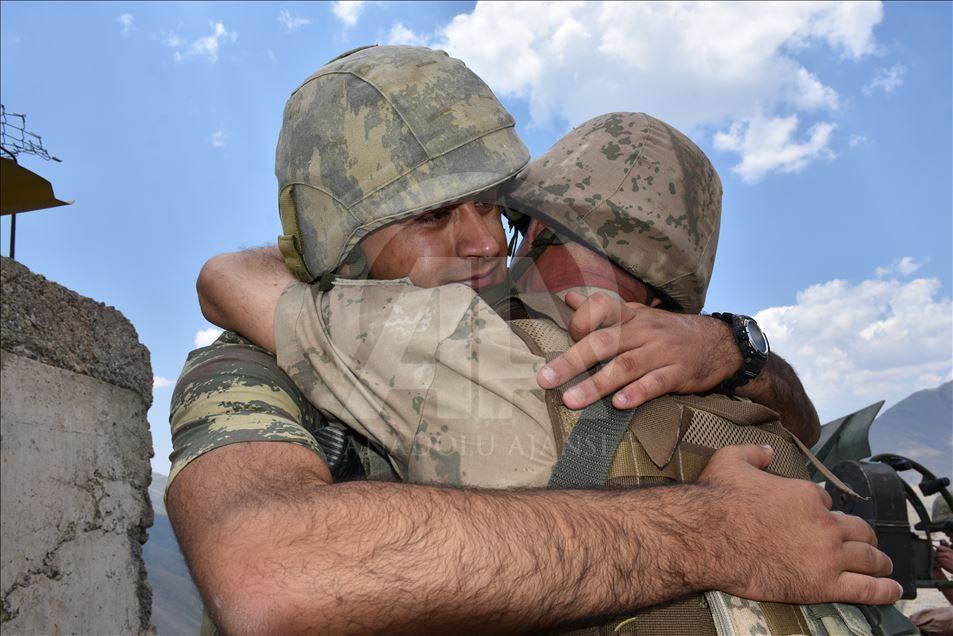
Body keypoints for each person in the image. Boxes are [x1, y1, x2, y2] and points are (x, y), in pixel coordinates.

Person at [168, 49, 900, 634]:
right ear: (344, 241)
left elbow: (800, 432)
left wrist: (731, 350)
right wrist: (712, 533)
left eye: (493, 203)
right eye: (432, 216)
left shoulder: (561, 317)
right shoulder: (247, 364)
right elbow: (266, 577)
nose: (486, 242)